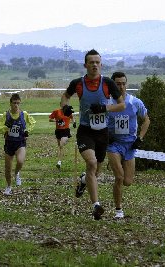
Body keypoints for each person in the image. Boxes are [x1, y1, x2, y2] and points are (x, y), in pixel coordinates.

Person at [60, 49, 126, 220]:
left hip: (102, 132)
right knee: (91, 163)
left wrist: (105, 108)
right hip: (85, 130)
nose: (95, 65)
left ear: (101, 64)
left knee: (95, 172)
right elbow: (65, 96)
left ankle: (83, 182)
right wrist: (65, 107)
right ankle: (96, 205)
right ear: (85, 65)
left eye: (97, 62)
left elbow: (121, 105)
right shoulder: (78, 83)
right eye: (91, 62)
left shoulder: (108, 83)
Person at [107, 72, 150, 219]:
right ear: (112, 85)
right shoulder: (107, 102)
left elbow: (146, 120)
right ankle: (118, 211)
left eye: (123, 83)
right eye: (118, 84)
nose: (121, 86)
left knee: (127, 182)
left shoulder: (135, 102)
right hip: (113, 144)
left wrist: (140, 138)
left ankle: (113, 164)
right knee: (119, 177)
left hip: (130, 145)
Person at [0, 93, 35, 195]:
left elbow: (33, 122)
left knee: (20, 161)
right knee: (7, 168)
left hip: (20, 142)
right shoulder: (6, 115)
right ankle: (8, 186)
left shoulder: (24, 114)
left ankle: (17, 173)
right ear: (10, 103)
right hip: (9, 143)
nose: (16, 105)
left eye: (18, 103)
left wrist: (28, 130)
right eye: (14, 103)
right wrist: (5, 127)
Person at [49, 103, 77, 170]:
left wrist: (74, 123)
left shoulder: (68, 111)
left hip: (66, 131)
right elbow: (50, 119)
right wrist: (57, 120)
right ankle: (59, 162)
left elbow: (72, 118)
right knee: (60, 147)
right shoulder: (56, 111)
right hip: (58, 131)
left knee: (61, 144)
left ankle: (65, 140)